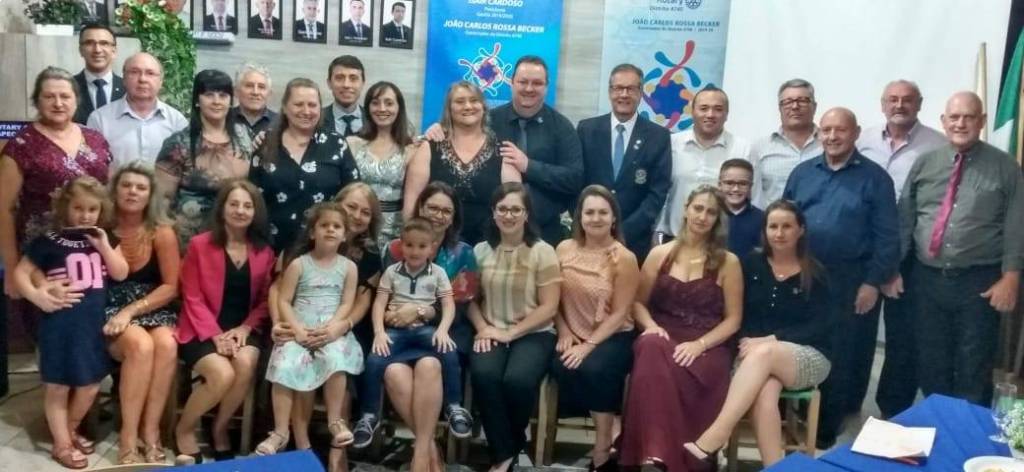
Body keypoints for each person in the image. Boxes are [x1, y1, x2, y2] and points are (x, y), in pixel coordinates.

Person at [896, 91, 1024, 406]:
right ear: (943, 121)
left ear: (982, 121)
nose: (961, 123)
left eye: (969, 117)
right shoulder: (925, 163)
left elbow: (1016, 224)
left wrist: (1011, 277)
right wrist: (894, 270)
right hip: (927, 280)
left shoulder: (1005, 167)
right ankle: (939, 422)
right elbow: (905, 219)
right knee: (931, 360)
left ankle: (969, 431)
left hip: (979, 282)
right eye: (954, 117)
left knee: (974, 363)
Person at [783, 108, 898, 448]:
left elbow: (887, 236)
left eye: (841, 130)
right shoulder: (803, 172)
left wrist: (872, 282)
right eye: (827, 130)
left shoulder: (875, 178)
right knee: (802, 342)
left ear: (856, 133)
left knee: (844, 351)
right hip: (804, 273)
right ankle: (793, 417)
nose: (832, 136)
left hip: (852, 278)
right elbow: (784, 221)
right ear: (819, 133)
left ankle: (827, 428)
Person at [684, 200, 831, 467]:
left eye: (787, 226)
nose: (779, 233)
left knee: (765, 352)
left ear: (800, 230)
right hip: (753, 356)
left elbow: (821, 326)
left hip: (807, 355)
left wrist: (773, 339)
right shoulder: (751, 263)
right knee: (765, 395)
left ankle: (717, 434)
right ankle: (775, 467)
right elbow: (737, 313)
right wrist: (751, 342)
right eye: (773, 226)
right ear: (765, 231)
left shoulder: (816, 272)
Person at [619, 185, 742, 472]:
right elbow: (637, 303)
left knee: (664, 360)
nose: (702, 216)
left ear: (718, 219)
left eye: (710, 212)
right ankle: (654, 455)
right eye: (698, 208)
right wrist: (651, 326)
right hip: (663, 336)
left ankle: (672, 456)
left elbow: (733, 320)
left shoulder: (728, 262)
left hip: (707, 345)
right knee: (650, 345)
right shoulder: (659, 254)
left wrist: (699, 345)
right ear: (686, 209)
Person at [12, 177, 129, 469]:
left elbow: (120, 273)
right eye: (78, 208)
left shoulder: (104, 239)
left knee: (90, 385)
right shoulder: (48, 241)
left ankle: (70, 429)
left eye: (92, 209)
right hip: (59, 325)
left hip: (91, 327)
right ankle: (62, 444)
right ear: (66, 207)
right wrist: (37, 296)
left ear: (101, 210)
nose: (85, 215)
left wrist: (104, 246)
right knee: (58, 387)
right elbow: (20, 273)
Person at [271, 182, 383, 472]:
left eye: (365, 212)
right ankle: (301, 446)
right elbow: (278, 291)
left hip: (345, 325)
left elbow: (360, 301)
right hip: (297, 320)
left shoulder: (367, 255)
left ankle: (336, 452)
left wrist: (339, 327)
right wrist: (280, 325)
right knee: (299, 361)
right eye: (351, 207)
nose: (357, 215)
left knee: (338, 362)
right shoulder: (302, 246)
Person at [0, 67, 113, 348]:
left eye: (65, 96)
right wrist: (12, 269)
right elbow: (4, 208)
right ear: (37, 100)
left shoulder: (96, 139)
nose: (58, 103)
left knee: (90, 333)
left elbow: (107, 195)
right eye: (49, 96)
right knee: (52, 333)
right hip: (42, 257)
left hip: (90, 254)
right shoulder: (21, 145)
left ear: (76, 100)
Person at [857, 80, 946, 419]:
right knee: (858, 332)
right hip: (863, 250)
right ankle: (849, 401)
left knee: (902, 337)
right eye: (892, 99)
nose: (899, 105)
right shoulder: (863, 140)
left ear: (919, 104)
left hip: (909, 255)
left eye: (907, 100)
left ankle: (893, 411)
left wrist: (893, 265)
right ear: (883, 104)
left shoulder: (937, 145)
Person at [352, 218, 467, 469]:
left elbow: (448, 304)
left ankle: (454, 405)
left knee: (449, 351)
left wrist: (443, 330)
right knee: (374, 360)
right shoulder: (392, 272)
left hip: (425, 330)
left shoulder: (438, 273)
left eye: (422, 246)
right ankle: (369, 415)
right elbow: (379, 304)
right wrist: (379, 332)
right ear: (401, 246)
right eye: (410, 245)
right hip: (397, 331)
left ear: (432, 248)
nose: (415, 251)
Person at [379, 182, 479, 470]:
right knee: (394, 372)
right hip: (399, 333)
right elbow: (385, 300)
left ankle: (420, 456)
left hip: (444, 335)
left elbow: (460, 306)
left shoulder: (464, 252)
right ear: (420, 208)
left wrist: (419, 311)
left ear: (453, 217)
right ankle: (429, 450)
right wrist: (397, 315)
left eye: (446, 211)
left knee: (428, 366)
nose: (438, 215)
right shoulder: (394, 249)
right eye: (432, 207)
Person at [174, 180, 275, 465]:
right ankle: (184, 429)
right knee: (222, 375)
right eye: (234, 204)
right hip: (200, 327)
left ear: (255, 212)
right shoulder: (199, 245)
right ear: (222, 208)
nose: (240, 211)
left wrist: (245, 328)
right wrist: (215, 335)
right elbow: (192, 296)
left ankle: (219, 428)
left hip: (243, 328)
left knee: (245, 364)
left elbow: (266, 300)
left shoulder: (264, 251)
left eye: (247, 205)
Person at [258, 202, 364, 455]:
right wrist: (297, 330)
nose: (330, 230)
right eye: (324, 225)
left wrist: (332, 327)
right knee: (285, 363)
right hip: (300, 327)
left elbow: (347, 302)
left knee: (336, 360)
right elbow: (284, 300)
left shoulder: (349, 267)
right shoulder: (299, 264)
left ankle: (335, 420)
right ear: (313, 232)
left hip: (329, 330)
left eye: (337, 226)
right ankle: (280, 432)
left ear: (345, 235)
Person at [470, 182, 561, 472]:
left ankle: (505, 449)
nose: (508, 215)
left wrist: (510, 333)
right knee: (484, 375)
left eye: (515, 209)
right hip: (490, 327)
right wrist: (483, 328)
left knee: (517, 381)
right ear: (493, 212)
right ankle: (506, 453)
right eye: (502, 209)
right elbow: (469, 300)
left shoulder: (543, 251)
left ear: (526, 214)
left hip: (534, 332)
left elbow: (549, 306)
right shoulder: (480, 251)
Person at [552, 185, 639, 471]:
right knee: (560, 365)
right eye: (589, 212)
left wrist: (589, 345)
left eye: (603, 212)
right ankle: (613, 427)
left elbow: (621, 312)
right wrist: (564, 331)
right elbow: (553, 300)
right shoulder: (563, 249)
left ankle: (602, 447)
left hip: (613, 334)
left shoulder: (624, 257)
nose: (596, 218)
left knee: (594, 368)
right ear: (580, 216)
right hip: (571, 330)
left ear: (614, 218)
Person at [102, 163, 181, 465]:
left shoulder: (162, 232)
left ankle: (151, 432)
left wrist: (133, 309)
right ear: (115, 190)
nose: (132, 192)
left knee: (167, 344)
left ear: (150, 195)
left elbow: (171, 287)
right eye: (126, 185)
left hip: (152, 305)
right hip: (110, 306)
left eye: (140, 187)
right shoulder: (101, 228)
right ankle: (128, 435)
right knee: (141, 346)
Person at [250, 77, 360, 254]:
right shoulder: (265, 144)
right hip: (271, 247)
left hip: (324, 250)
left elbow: (353, 192)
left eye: (312, 105)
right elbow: (252, 198)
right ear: (285, 107)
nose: (306, 111)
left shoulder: (337, 144)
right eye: (298, 104)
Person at [577, 64, 671, 261]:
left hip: (634, 242)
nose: (624, 94)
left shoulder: (658, 136)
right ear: (610, 92)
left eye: (631, 88)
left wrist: (622, 231)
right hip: (589, 236)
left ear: (641, 93)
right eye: (618, 88)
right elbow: (577, 181)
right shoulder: (587, 130)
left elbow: (658, 193)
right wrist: (589, 224)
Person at [156, 69, 255, 248]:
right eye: (209, 95)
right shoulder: (179, 143)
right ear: (197, 100)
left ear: (231, 101)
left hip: (236, 238)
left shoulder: (245, 136)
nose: (217, 101)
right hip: (189, 241)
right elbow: (162, 200)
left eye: (223, 95)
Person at [412, 82, 520, 245]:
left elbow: (516, 206)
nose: (468, 106)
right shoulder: (429, 147)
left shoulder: (503, 151)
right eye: (460, 101)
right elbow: (412, 205)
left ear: (483, 107)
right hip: (433, 246)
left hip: (489, 248)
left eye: (474, 100)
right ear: (449, 109)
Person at [656, 86, 751, 244]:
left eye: (718, 109)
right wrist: (655, 233)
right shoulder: (671, 144)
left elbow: (752, 201)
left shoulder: (743, 149)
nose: (710, 114)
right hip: (674, 239)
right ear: (692, 111)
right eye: (704, 108)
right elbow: (659, 193)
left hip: (723, 243)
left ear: (727, 114)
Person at [347, 81, 419, 252]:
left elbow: (412, 201)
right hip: (356, 227)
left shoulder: (412, 149)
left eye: (389, 103)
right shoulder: (352, 143)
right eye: (375, 103)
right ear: (367, 107)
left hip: (395, 233)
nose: (382, 108)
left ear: (399, 108)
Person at [87, 53, 188, 169]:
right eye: (134, 72)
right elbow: (93, 168)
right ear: (124, 79)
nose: (142, 79)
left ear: (161, 81)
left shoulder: (177, 121)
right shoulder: (99, 119)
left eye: (150, 73)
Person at [751, 79, 822, 208]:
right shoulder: (760, 148)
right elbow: (754, 196)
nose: (795, 106)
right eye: (788, 102)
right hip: (774, 220)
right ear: (780, 108)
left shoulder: (829, 145)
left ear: (814, 106)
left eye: (802, 100)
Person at [74, 24, 124, 125]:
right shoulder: (69, 87)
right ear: (81, 50)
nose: (97, 50)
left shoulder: (128, 88)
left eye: (104, 43)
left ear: (114, 50)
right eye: (89, 43)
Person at [718, 159, 763, 259]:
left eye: (743, 184)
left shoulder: (763, 219)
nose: (736, 189)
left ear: (751, 186)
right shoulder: (711, 215)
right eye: (729, 183)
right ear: (719, 185)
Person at [322, 55, 367, 137]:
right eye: (339, 78)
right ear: (329, 83)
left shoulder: (373, 119)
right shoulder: (316, 119)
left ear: (363, 83)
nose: (346, 85)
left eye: (353, 79)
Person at [232, 63, 278, 136]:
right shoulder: (223, 119)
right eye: (249, 86)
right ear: (236, 91)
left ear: (269, 94)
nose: (255, 92)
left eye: (261, 87)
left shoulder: (280, 123)